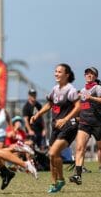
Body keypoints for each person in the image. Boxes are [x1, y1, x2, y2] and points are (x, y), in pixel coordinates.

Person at [31, 63, 80, 193]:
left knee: (53, 153)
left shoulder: (71, 90)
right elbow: (49, 105)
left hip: (70, 126)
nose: (56, 74)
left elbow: (78, 107)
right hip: (56, 127)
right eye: (55, 71)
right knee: (52, 157)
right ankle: (54, 183)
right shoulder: (55, 89)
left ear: (67, 75)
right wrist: (37, 114)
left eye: (59, 72)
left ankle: (61, 179)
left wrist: (65, 119)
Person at [69, 67, 101, 185]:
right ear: (85, 75)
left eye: (92, 74)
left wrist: (90, 97)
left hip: (98, 124)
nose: (89, 75)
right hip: (84, 123)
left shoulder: (98, 88)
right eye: (87, 73)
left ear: (95, 77)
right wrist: (74, 116)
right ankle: (78, 175)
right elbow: (82, 107)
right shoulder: (82, 90)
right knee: (79, 148)